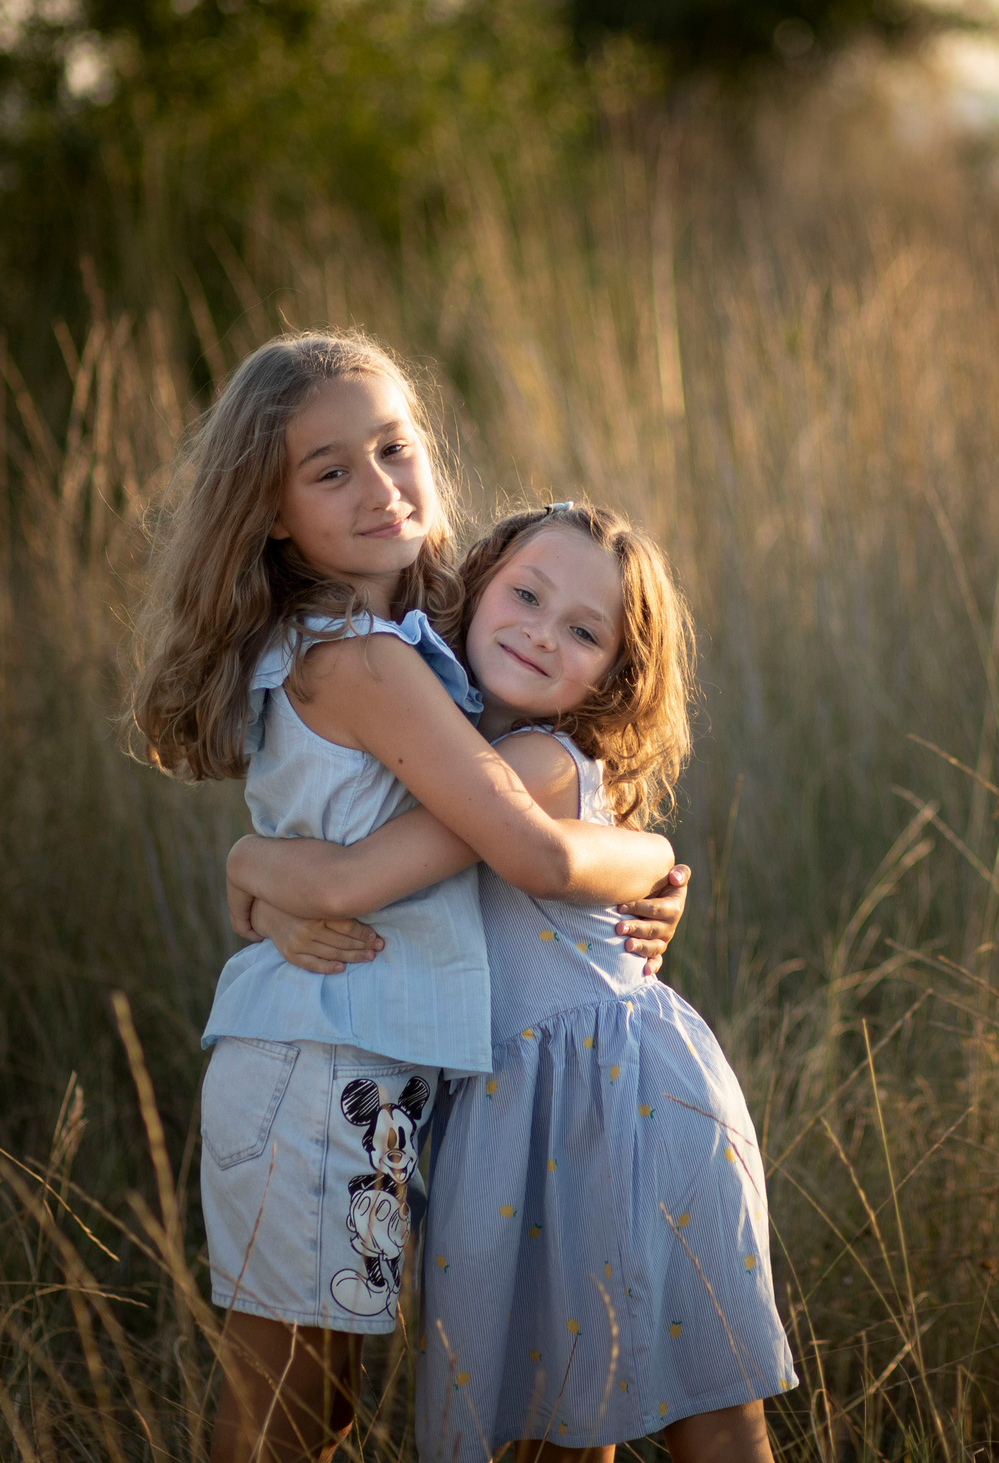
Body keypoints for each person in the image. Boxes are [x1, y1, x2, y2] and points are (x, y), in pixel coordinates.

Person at [128, 333, 692, 1463]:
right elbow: (527, 849)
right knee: (282, 1409)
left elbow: (357, 853)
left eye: (394, 447)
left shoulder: (403, 645)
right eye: (329, 469)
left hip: (361, 1073)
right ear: (271, 510)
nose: (381, 486)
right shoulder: (363, 664)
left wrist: (254, 875)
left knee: (317, 1407)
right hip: (315, 1072)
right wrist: (659, 853)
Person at [229, 502, 796, 1463]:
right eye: (526, 594)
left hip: (621, 1106)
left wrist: (248, 861)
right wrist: (259, 895)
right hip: (519, 1112)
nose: (541, 632)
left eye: (583, 630)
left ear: (612, 676)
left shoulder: (525, 766)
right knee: (559, 1420)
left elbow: (344, 880)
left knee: (705, 1411)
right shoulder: (445, 759)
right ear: (476, 583)